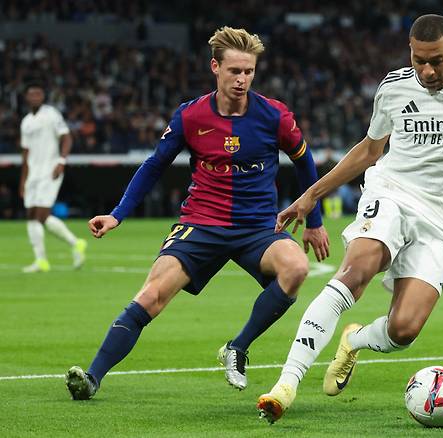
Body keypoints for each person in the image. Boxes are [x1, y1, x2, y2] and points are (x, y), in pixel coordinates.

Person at [257, 14, 443, 423]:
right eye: (418, 60)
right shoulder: (394, 88)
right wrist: (310, 195)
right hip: (390, 193)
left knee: (404, 330)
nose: (426, 71)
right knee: (354, 273)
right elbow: (369, 151)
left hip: (441, 218)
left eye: (435, 61)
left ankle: (354, 340)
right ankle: (285, 384)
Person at [65, 27, 329, 400]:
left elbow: (305, 163)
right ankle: (91, 378)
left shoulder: (274, 116)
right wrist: (117, 214)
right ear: (215, 68)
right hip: (201, 224)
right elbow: (155, 165)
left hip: (257, 229)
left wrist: (314, 222)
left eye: (249, 72)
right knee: (152, 295)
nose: (242, 79)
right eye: (234, 71)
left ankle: (237, 347)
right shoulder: (191, 116)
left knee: (296, 268)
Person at [19, 82, 87, 273]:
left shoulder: (51, 114)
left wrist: (61, 161)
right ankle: (41, 260)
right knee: (31, 215)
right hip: (32, 173)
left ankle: (76, 243)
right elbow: (25, 153)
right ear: (27, 97)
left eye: (38, 94)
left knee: (41, 214)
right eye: (32, 94)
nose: (35, 97)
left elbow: (67, 138)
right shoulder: (26, 121)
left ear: (43, 96)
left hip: (50, 170)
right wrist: (23, 180)